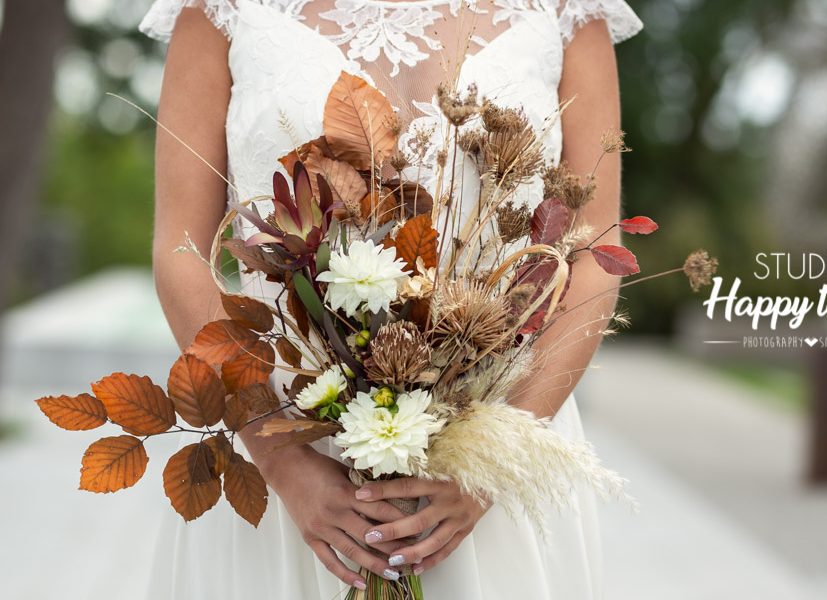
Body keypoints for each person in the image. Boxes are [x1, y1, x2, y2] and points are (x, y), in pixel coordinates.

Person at [141, 1, 642, 597]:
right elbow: (181, 253)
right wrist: (283, 465)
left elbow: (592, 254)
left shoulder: (569, 11)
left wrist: (490, 464)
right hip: (281, 439)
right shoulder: (217, 9)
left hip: (494, 454)